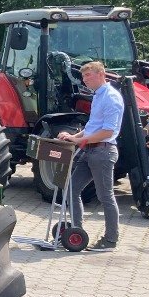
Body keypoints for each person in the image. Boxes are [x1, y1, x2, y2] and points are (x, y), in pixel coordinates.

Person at [56, 61, 124, 251]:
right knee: (71, 189)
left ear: (101, 74)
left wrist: (78, 141)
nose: (84, 80)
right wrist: (73, 137)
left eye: (88, 76)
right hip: (90, 150)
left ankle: (110, 239)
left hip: (103, 151)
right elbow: (91, 126)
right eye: (84, 76)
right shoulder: (97, 96)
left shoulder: (111, 97)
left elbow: (108, 132)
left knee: (105, 196)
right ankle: (76, 232)